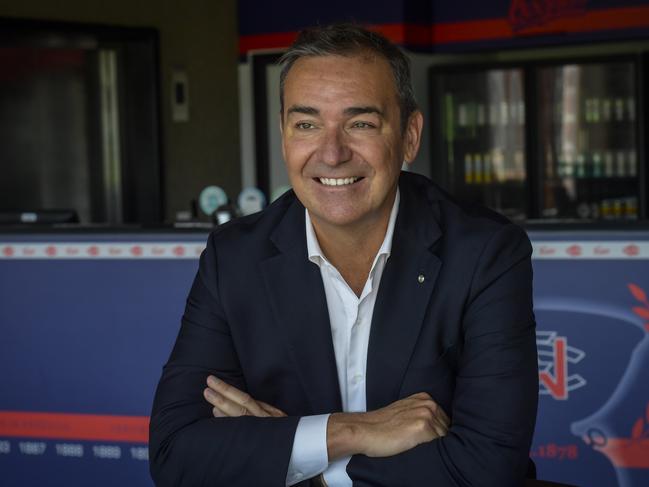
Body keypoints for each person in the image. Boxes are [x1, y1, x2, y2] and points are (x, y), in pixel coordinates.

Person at [149, 23, 538, 487]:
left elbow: (486, 467)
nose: (331, 154)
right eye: (307, 124)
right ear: (284, 134)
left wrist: (292, 456)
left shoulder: (485, 253)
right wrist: (351, 432)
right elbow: (177, 454)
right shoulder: (234, 257)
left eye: (360, 124)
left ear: (409, 136)